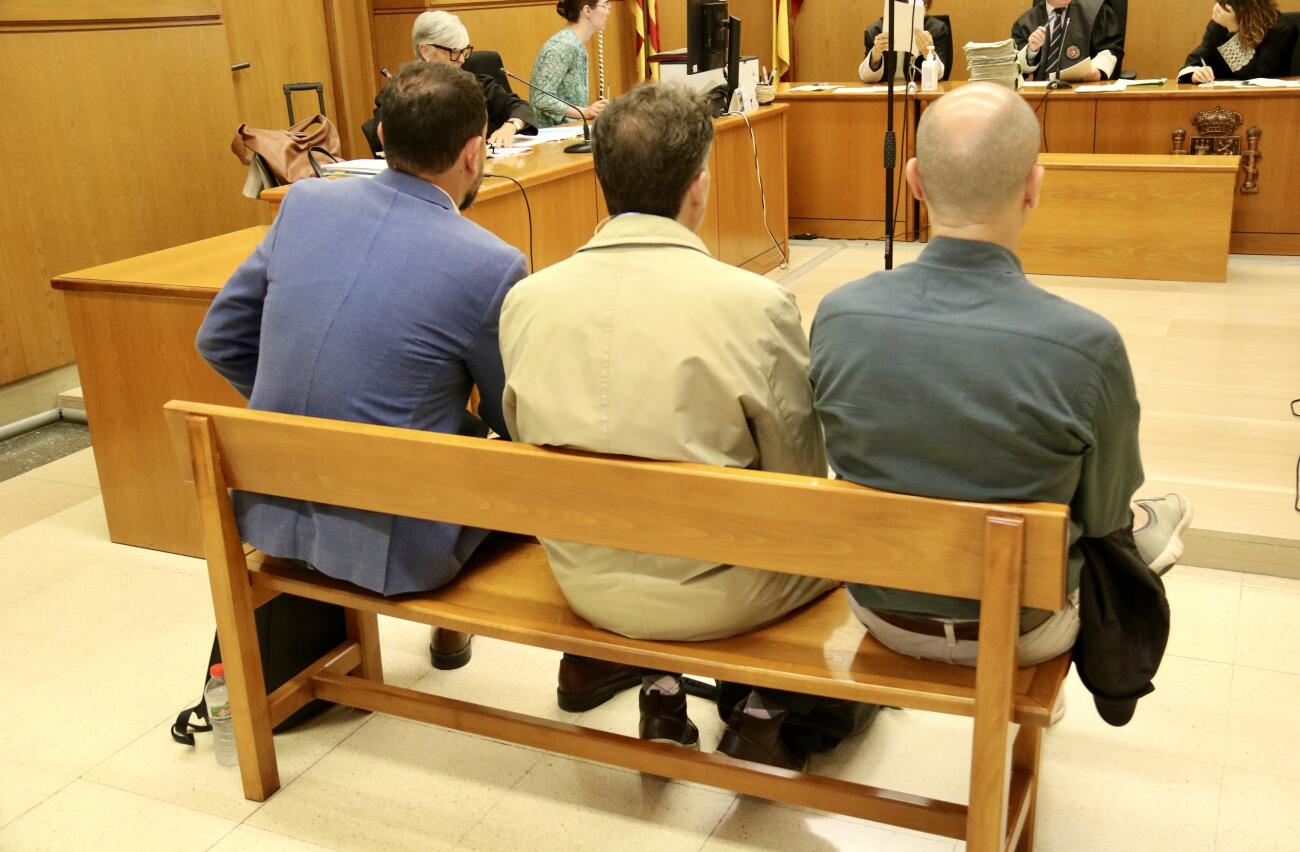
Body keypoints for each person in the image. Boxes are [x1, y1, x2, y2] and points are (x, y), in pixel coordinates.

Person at [499, 83, 876, 771]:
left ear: (600, 180)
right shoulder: (757, 305)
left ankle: (664, 688)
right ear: (699, 186)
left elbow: (525, 440)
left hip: (582, 575)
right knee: (862, 540)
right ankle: (762, 707)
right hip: (720, 594)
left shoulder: (526, 299)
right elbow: (797, 481)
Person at [809, 83, 1191, 681]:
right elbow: (1103, 515)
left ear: (913, 181)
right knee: (1148, 519)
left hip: (881, 612)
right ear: (1034, 187)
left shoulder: (838, 316)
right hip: (1024, 628)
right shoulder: (1087, 345)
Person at [197, 61, 524, 669]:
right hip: (399, 550)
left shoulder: (304, 204)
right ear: (474, 153)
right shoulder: (491, 263)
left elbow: (219, 339)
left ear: (383, 137)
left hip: (273, 512)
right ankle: (455, 631)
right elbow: (516, 420)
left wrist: (306, 410)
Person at [369, 11, 537, 152]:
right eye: (454, 52)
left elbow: (520, 108)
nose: (462, 59)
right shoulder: (398, 94)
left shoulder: (474, 83)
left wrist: (510, 126)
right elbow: (385, 141)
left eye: (464, 51)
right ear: (425, 51)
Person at [529, 0, 610, 127]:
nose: (608, 11)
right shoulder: (563, 45)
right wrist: (585, 112)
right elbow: (541, 98)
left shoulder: (576, 44)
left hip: (571, 129)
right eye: (605, 5)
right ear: (587, 11)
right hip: (552, 133)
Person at [1178, 0, 1298, 83]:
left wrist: (1232, 31)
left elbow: (1255, 77)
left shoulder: (1280, 29)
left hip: (1268, 102)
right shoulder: (1220, 25)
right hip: (1223, 98)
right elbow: (1195, 60)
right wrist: (1195, 74)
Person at [1012, 0, 1124, 82]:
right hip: (1041, 96)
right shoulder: (1026, 22)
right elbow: (1016, 68)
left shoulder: (1096, 11)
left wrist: (1098, 70)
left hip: (1084, 93)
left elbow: (1111, 48)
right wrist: (1031, 51)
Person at [858, 0, 951, 83]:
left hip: (920, 91)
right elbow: (866, 77)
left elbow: (940, 75)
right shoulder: (875, 30)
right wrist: (876, 54)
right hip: (885, 92)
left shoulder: (937, 29)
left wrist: (928, 53)